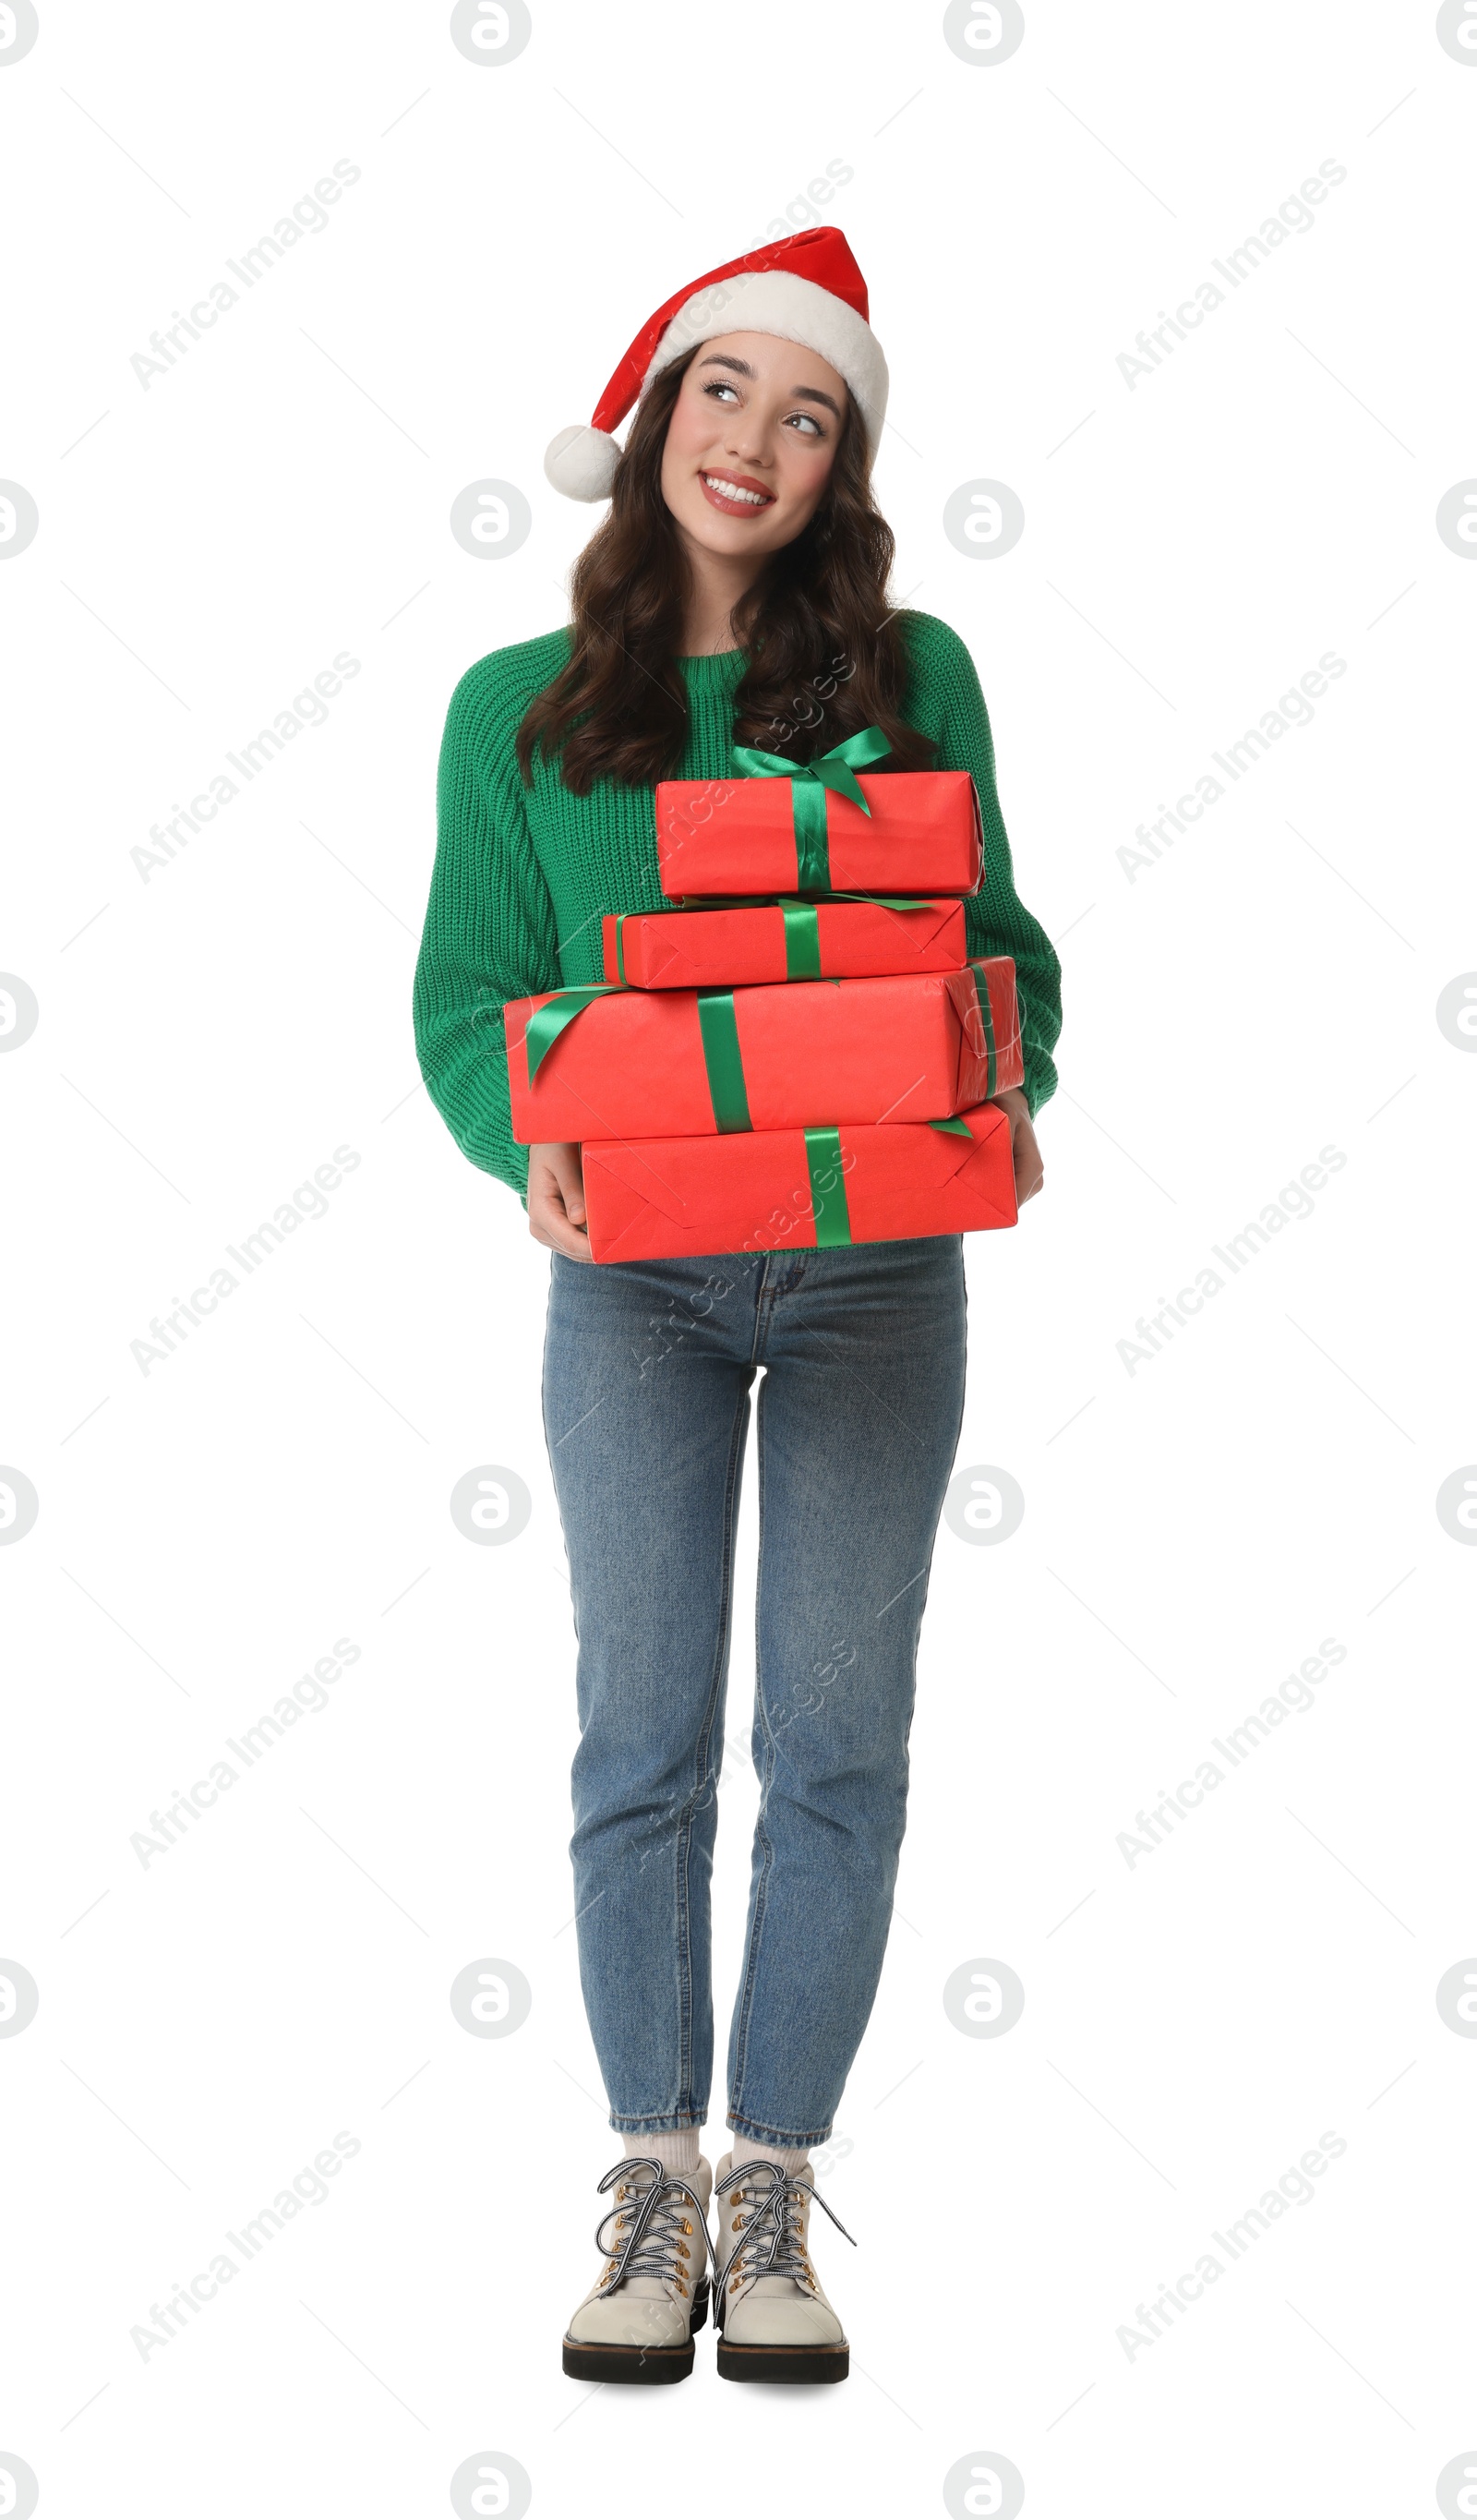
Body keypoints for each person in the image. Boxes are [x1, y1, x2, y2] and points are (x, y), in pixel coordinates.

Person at [414, 228, 1062, 2384]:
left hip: (882, 1269)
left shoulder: (911, 672)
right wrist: (536, 1139)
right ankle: (649, 2180)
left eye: (810, 414)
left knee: (838, 1740)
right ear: (653, 417)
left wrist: (1006, 1073)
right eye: (725, 394)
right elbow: (466, 1003)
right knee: (641, 1740)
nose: (756, 443)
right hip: (637, 1290)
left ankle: (772, 2187)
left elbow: (999, 948)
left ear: (841, 464)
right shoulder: (512, 712)